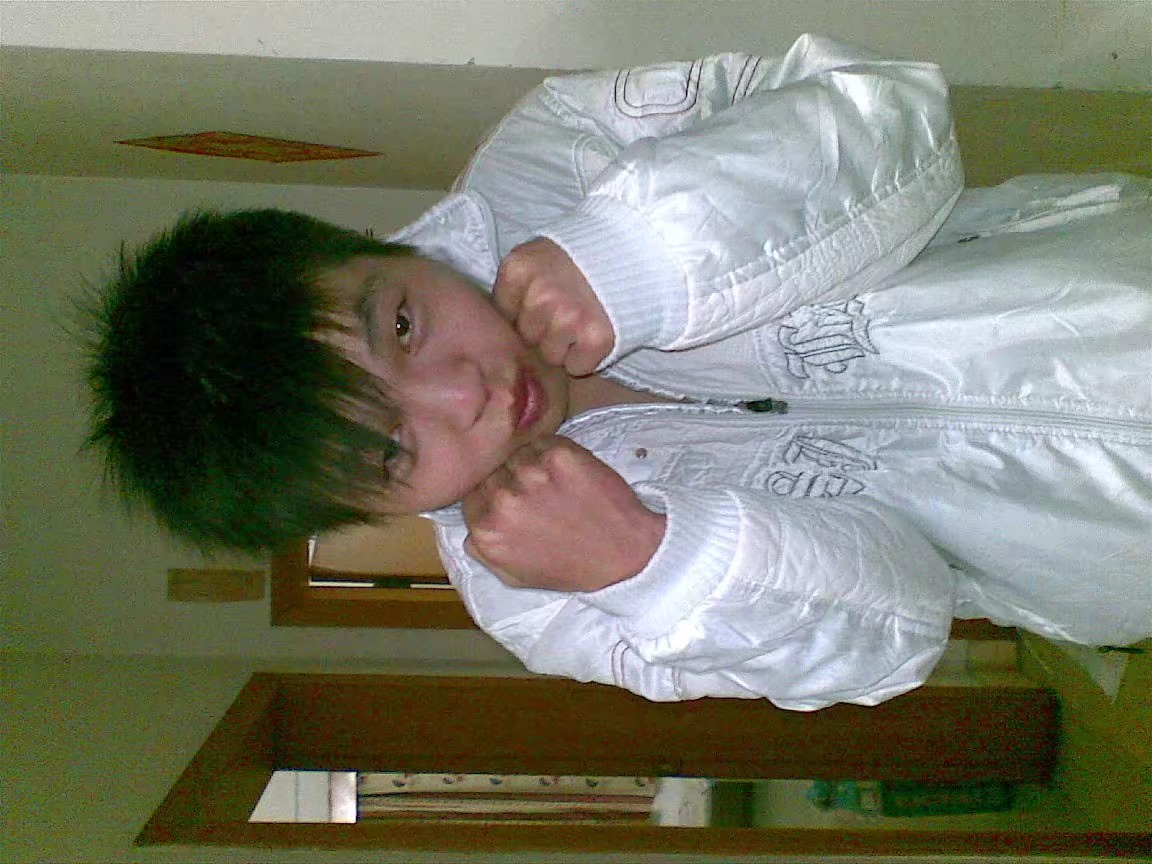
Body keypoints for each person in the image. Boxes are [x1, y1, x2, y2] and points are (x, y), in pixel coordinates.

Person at [86, 35, 1152, 710]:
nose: (463, 395)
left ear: (371, 246)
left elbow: (892, 119)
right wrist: (651, 562)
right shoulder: (542, 605)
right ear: (373, 510)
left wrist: (634, 257)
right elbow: (900, 635)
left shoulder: (551, 155)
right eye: (391, 450)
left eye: (403, 324)